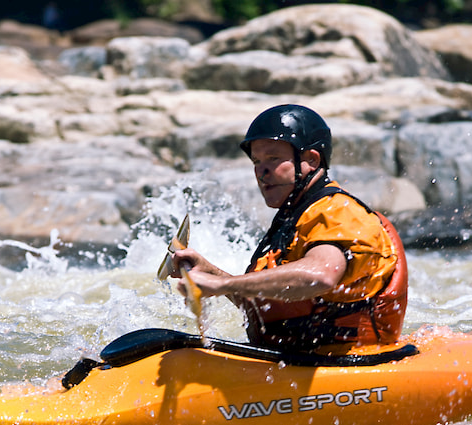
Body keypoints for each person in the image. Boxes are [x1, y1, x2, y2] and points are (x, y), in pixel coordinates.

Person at [170, 104, 408, 352]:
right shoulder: (296, 217)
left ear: (311, 160)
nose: (261, 173)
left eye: (273, 159)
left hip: (348, 365)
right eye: (257, 161)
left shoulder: (337, 212)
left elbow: (320, 275)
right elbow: (266, 304)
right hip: (296, 360)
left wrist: (222, 286)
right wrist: (211, 273)